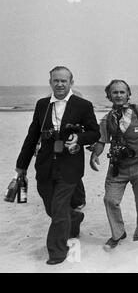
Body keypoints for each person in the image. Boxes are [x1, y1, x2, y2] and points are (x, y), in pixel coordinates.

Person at [15, 66, 100, 265]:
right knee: (51, 208)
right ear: (50, 82)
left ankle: (57, 252)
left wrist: (79, 137)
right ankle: (75, 218)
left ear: (71, 82)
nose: (60, 84)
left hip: (70, 167)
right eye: (56, 80)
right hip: (45, 165)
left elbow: (94, 132)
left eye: (64, 80)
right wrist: (22, 165)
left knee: (59, 208)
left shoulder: (83, 105)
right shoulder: (42, 105)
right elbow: (32, 136)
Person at [89, 80, 138, 250]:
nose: (118, 95)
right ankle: (118, 233)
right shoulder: (107, 119)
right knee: (110, 199)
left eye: (122, 92)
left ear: (128, 94)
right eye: (115, 92)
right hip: (117, 166)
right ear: (109, 95)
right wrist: (94, 154)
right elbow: (101, 140)